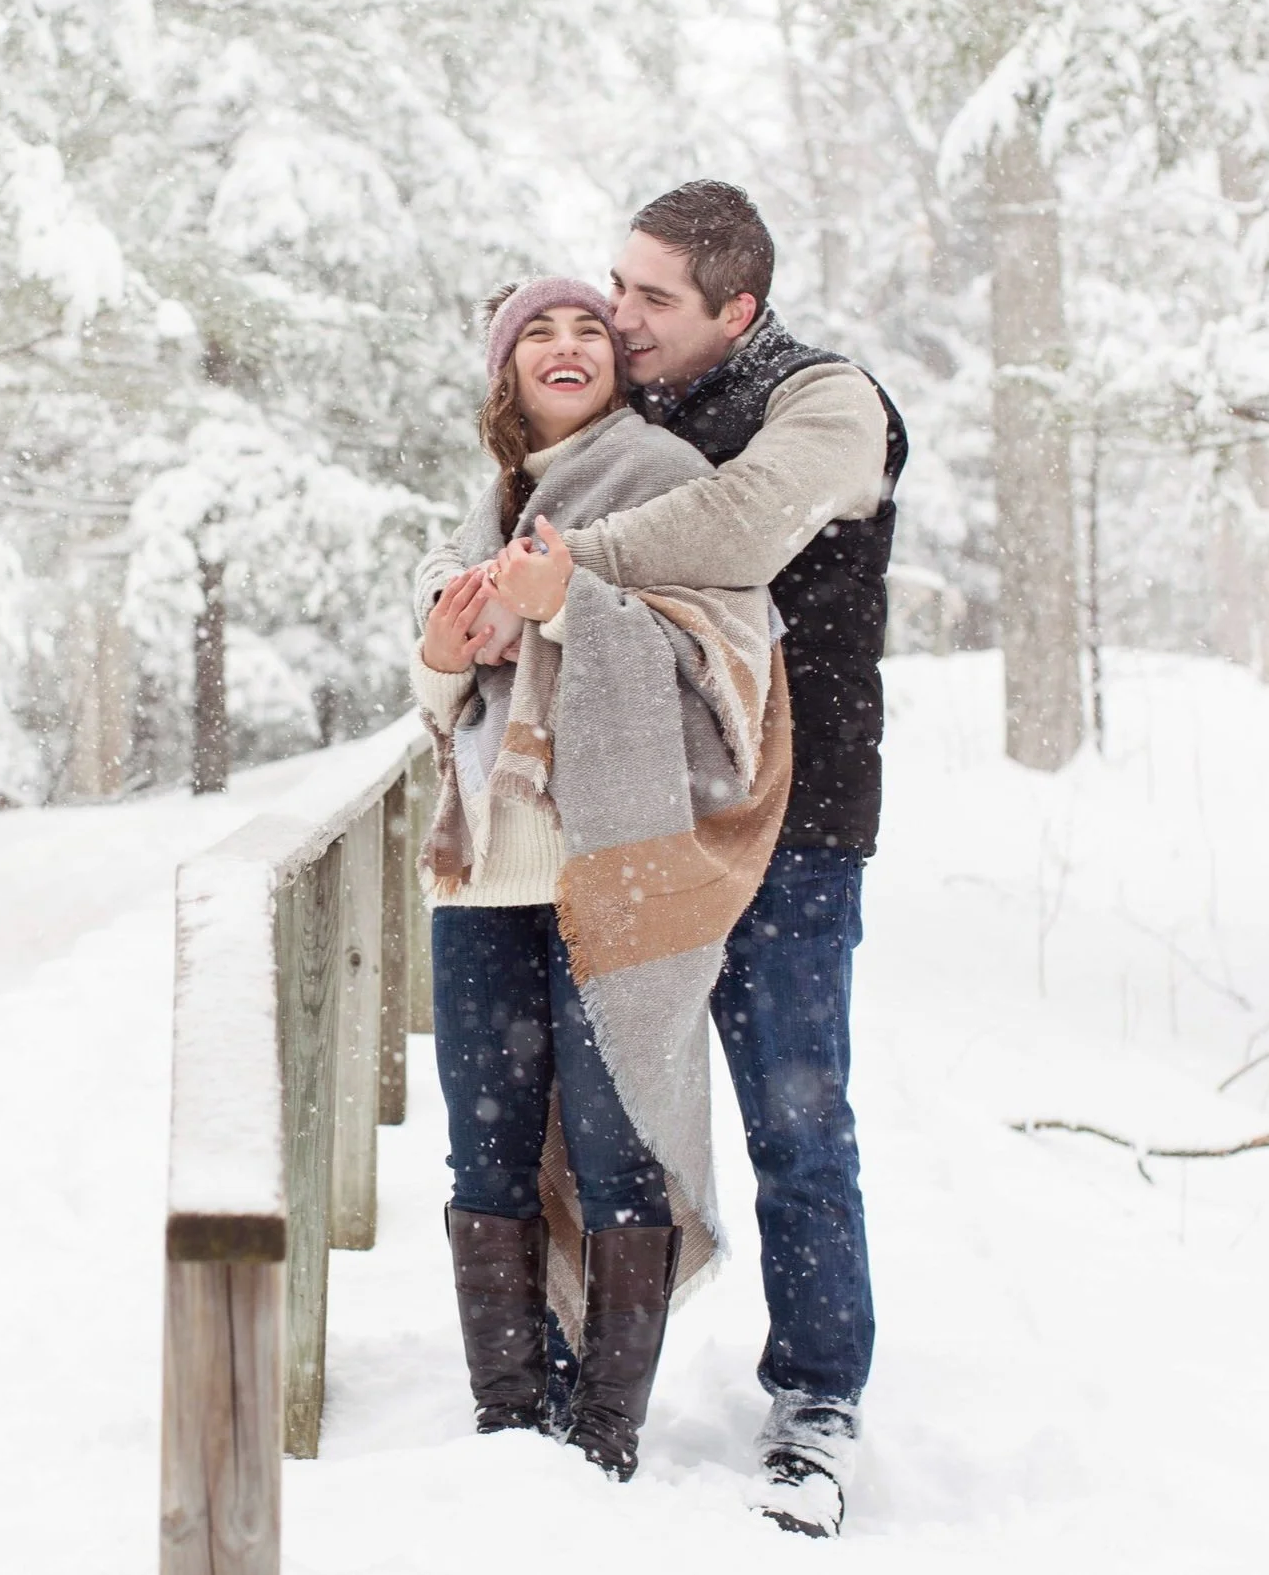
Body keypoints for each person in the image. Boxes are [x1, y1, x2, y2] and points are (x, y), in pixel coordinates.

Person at [433, 183, 908, 1538]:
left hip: (796, 820)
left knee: (794, 1114)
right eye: (612, 288)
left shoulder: (824, 404)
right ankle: (574, 1384)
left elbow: (741, 525)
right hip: (636, 821)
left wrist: (559, 564)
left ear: (733, 310)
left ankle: (814, 1398)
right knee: (605, 1117)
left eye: (647, 299)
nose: (620, 318)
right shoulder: (629, 414)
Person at [410, 276, 790, 1483]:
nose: (566, 346)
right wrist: (439, 653)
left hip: (618, 869)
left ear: (617, 365)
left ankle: (602, 1437)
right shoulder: (486, 505)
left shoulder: (668, 475)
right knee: (487, 1152)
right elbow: (446, 710)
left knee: (622, 1148)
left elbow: (728, 658)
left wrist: (572, 602)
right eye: (538, 332)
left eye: (589, 330)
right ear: (504, 368)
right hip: (483, 879)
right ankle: (508, 1420)